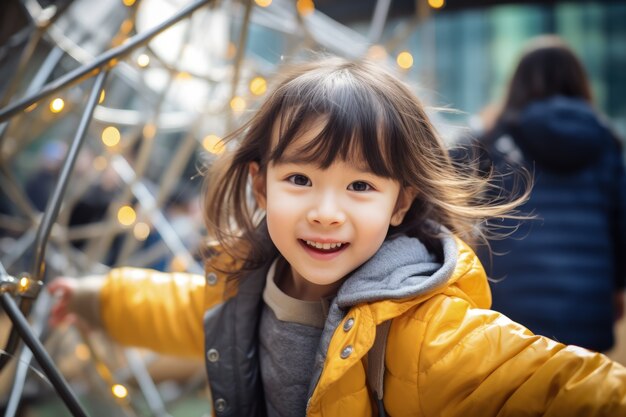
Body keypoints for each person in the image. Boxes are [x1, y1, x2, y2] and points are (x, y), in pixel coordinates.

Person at [48, 57, 626, 416]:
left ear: (400, 201)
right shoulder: (241, 285)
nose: (326, 213)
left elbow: (555, 385)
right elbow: (177, 309)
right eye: (300, 178)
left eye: (360, 187)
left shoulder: (423, 327)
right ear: (260, 184)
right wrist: (96, 298)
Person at [459, 35, 626, 353]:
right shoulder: (606, 141)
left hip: (512, 311)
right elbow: (620, 228)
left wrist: (477, 127)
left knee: (519, 396)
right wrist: (617, 290)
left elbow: (444, 176)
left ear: (517, 83)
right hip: (587, 306)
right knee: (581, 395)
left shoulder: (494, 139)